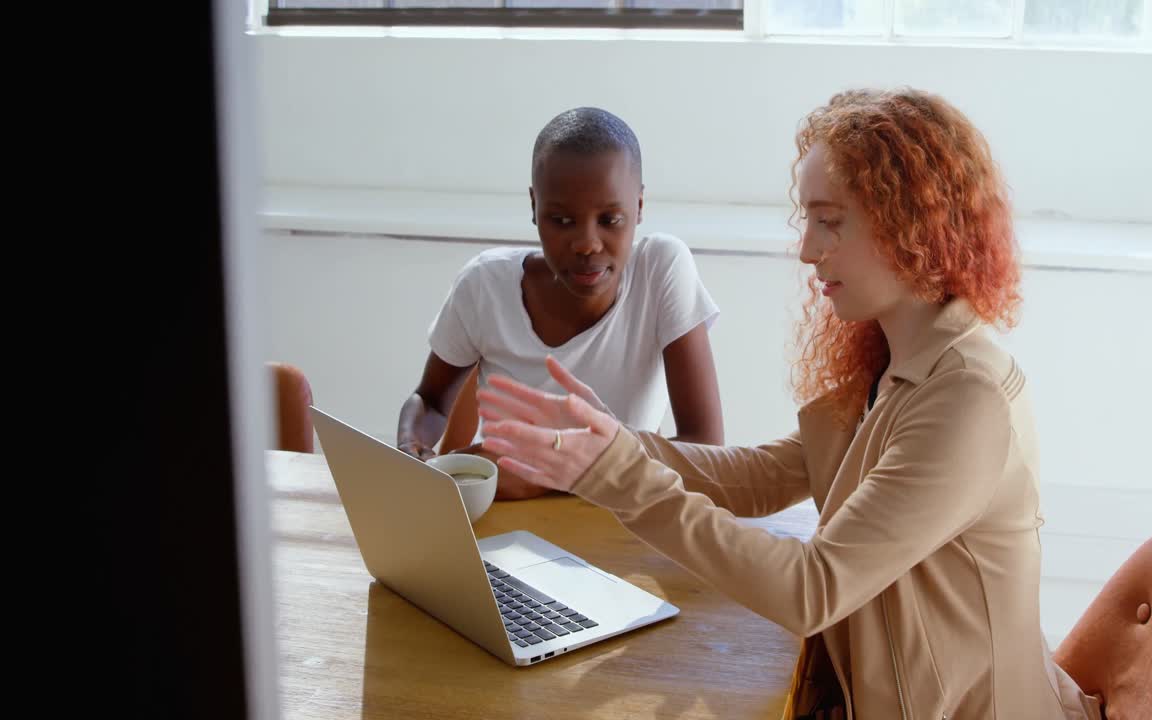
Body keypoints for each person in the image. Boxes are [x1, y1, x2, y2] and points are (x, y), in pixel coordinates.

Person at [476, 90, 1102, 719]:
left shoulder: (969, 399)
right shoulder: (896, 366)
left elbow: (813, 588)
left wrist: (621, 479)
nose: (808, 249)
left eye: (830, 221)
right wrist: (615, 443)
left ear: (910, 224)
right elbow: (757, 479)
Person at [397, 107, 724, 500]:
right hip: (507, 520)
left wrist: (542, 475)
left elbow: (704, 449)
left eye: (610, 219)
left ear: (639, 207)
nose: (587, 243)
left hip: (619, 520)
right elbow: (429, 402)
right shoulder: (484, 285)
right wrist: (411, 449)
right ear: (534, 207)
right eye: (561, 220)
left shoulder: (660, 269)